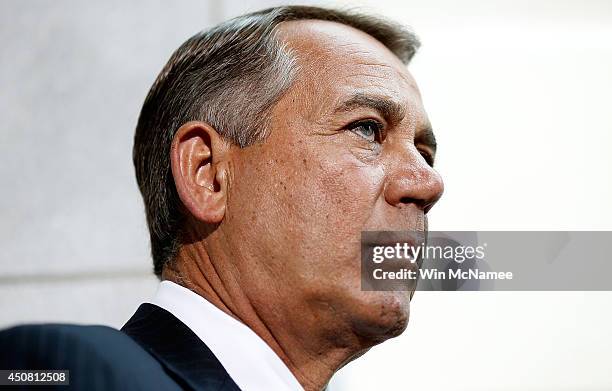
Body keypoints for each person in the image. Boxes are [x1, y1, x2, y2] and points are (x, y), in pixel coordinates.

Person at [0, 5, 443, 390]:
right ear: (208, 175)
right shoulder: (66, 371)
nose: (428, 185)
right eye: (366, 129)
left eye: (424, 153)